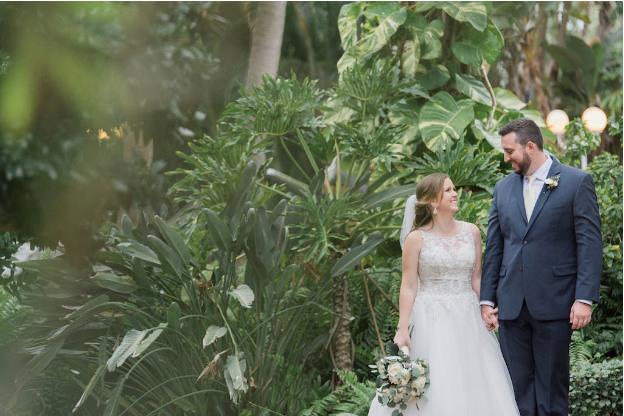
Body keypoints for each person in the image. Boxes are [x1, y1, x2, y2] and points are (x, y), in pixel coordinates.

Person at [368, 173, 520, 415]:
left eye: (453, 189)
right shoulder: (416, 239)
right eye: (448, 190)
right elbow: (408, 285)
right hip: (432, 318)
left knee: (475, 379)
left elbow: (476, 277)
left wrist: (486, 306)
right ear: (432, 202)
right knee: (440, 381)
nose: (454, 194)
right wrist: (402, 328)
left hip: (468, 316)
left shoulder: (471, 232)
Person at [480, 118, 602, 416]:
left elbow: (589, 244)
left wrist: (583, 298)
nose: (506, 157)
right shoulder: (503, 188)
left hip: (556, 301)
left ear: (530, 146)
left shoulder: (576, 182)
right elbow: (496, 246)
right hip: (511, 306)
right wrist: (487, 299)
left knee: (551, 390)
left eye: (510, 151)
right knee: (517, 390)